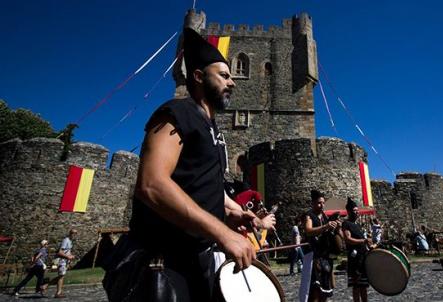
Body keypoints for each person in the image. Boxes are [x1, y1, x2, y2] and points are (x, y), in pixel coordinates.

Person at [104, 27, 273, 302]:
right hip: (162, 264)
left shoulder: (213, 129)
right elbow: (152, 184)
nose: (232, 83)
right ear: (197, 76)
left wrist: (233, 210)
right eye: (224, 75)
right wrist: (222, 233)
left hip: (197, 261)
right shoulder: (177, 113)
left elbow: (200, 184)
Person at [305, 190, 340, 302]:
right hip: (314, 257)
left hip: (325, 257)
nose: (322, 205)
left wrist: (336, 227)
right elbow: (308, 231)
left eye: (323, 203)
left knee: (325, 291)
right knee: (315, 292)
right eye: (319, 203)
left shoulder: (325, 216)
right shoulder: (309, 216)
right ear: (313, 203)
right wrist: (325, 227)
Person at [342, 198, 371, 302]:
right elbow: (348, 239)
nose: (357, 212)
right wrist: (363, 241)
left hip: (362, 258)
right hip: (354, 260)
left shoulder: (358, 225)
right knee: (356, 286)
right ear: (349, 211)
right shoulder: (346, 224)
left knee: (363, 286)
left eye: (357, 210)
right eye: (354, 210)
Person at [54, 229, 77, 298]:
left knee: (61, 276)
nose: (75, 235)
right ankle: (58, 293)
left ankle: (57, 291)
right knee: (61, 277)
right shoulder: (66, 240)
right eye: (73, 233)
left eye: (76, 233)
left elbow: (67, 251)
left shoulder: (70, 241)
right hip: (62, 261)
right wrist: (68, 257)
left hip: (65, 261)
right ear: (70, 233)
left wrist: (70, 256)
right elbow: (60, 252)